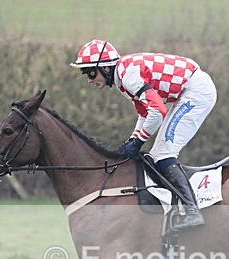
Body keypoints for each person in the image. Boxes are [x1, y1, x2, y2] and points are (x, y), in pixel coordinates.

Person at [70, 39, 217, 231]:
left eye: (90, 72)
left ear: (106, 67)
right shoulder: (122, 78)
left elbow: (157, 111)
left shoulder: (128, 76)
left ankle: (192, 212)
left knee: (163, 155)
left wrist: (138, 142)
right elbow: (145, 114)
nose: (89, 79)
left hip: (196, 92)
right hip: (189, 90)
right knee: (157, 155)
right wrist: (132, 139)